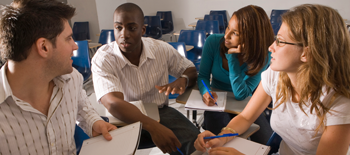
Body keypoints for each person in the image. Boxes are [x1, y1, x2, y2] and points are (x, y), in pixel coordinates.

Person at [195, 4, 350, 155]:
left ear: (306, 53)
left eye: (280, 41)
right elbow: (246, 116)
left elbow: (241, 96)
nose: (271, 47)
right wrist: (222, 137)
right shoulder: (275, 75)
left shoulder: (339, 102)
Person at [0, 0, 117, 154]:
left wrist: (95, 122)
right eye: (68, 38)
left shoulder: (72, 78)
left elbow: (82, 109)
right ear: (44, 47)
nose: (75, 46)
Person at [91, 2, 199, 155]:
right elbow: (113, 104)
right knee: (104, 148)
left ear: (142, 30)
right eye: (118, 27)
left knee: (196, 142)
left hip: (161, 112)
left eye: (132, 28)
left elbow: (191, 70)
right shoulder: (104, 58)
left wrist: (183, 79)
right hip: (123, 117)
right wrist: (153, 126)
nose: (124, 34)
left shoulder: (161, 49)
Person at [197, 5, 274, 144]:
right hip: (217, 103)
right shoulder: (213, 41)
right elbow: (202, 76)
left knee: (266, 143)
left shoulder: (264, 55)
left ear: (252, 38)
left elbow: (240, 95)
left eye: (235, 33)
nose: (226, 36)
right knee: (221, 139)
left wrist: (232, 59)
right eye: (228, 28)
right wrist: (205, 91)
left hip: (246, 105)